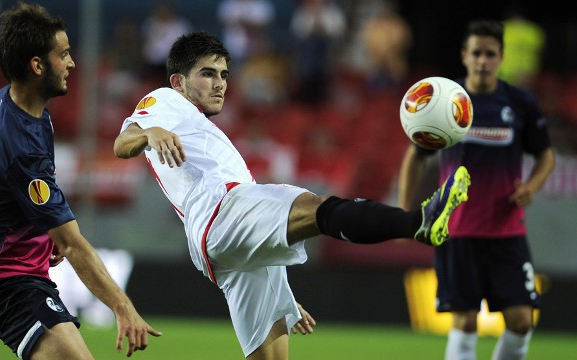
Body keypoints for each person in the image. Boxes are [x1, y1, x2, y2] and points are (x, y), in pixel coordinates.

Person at [113, 31, 470, 359]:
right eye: (208, 74)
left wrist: (283, 294)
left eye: (223, 74)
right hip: (222, 210)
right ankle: (417, 222)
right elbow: (122, 143)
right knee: (317, 208)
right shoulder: (165, 101)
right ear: (179, 81)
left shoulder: (201, 129)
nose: (220, 83)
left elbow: (254, 225)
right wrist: (151, 132)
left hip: (225, 246)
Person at [0, 3, 160, 359]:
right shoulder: (21, 143)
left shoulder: (8, 102)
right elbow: (72, 244)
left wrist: (38, 234)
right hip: (4, 281)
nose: (72, 63)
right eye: (63, 54)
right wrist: (122, 307)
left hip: (4, 269)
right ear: (37, 65)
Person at [398, 20, 555, 360]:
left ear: (501, 57)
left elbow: (546, 155)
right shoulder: (445, 101)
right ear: (464, 56)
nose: (483, 60)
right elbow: (416, 155)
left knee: (521, 320)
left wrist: (532, 186)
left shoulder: (519, 103)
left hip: (507, 231)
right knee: (465, 322)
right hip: (456, 229)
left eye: (490, 54)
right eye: (477, 53)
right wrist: (404, 212)